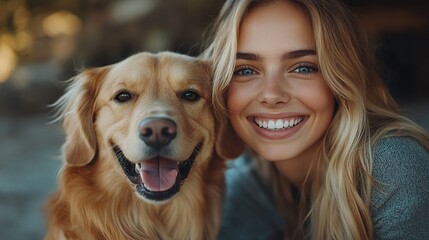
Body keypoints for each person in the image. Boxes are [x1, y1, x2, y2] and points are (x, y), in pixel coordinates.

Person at [201, 0, 429, 239]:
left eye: (303, 68)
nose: (271, 95)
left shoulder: (392, 168)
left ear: (341, 77)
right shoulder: (251, 179)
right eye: (245, 70)